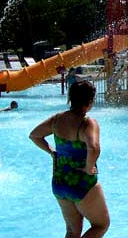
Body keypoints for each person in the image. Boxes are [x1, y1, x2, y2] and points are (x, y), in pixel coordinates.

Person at [29, 80, 110, 237]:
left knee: (72, 232)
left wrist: (52, 152)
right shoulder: (87, 123)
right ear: (90, 101)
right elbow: (93, 148)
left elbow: (34, 135)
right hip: (81, 183)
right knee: (101, 225)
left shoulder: (57, 119)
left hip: (60, 182)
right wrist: (89, 167)